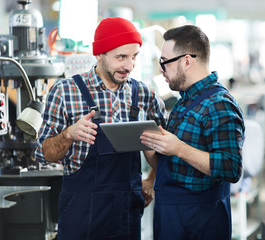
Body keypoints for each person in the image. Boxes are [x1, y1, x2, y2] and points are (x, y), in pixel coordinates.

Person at [35, 17, 167, 240]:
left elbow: (166, 150)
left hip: (127, 217)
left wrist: (151, 178)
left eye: (134, 56)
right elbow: (43, 154)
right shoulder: (65, 91)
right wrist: (69, 134)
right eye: (121, 57)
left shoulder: (145, 95)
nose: (129, 65)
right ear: (99, 54)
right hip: (80, 217)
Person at [140, 25, 245, 240]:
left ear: (187, 61)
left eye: (164, 62)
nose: (161, 69)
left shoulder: (219, 105)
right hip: (170, 218)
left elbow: (230, 168)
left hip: (201, 222)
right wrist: (151, 150)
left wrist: (178, 147)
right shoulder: (183, 102)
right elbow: (175, 166)